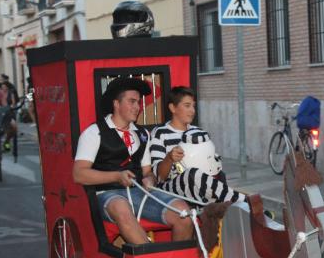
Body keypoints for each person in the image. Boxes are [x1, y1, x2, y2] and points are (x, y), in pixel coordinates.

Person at [73, 77, 193, 244]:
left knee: (183, 213)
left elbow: (147, 172)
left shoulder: (143, 134)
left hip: (139, 194)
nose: (138, 107)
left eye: (139, 102)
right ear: (116, 104)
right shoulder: (94, 133)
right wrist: (116, 176)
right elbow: (79, 174)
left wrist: (150, 179)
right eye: (132, 101)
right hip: (106, 195)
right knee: (122, 208)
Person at [150, 86, 245, 204]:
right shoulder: (160, 133)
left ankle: (238, 208)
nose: (192, 111)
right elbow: (159, 176)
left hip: (199, 186)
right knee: (193, 174)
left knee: (219, 175)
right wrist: (169, 158)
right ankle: (246, 203)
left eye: (193, 106)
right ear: (173, 108)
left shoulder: (198, 132)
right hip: (170, 190)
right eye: (187, 105)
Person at [0, 82, 19, 152]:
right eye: (2, 87)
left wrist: (11, 106)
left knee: (14, 128)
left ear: (7, 87)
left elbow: (13, 103)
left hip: (10, 112)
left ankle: (6, 142)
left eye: (5, 86)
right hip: (2, 113)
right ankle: (5, 145)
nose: (4, 88)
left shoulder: (11, 93)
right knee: (5, 129)